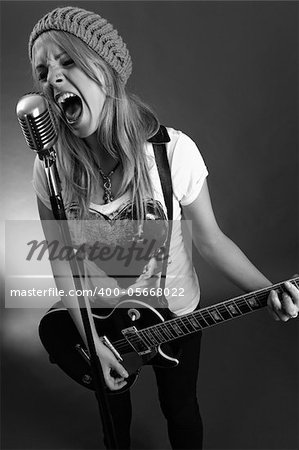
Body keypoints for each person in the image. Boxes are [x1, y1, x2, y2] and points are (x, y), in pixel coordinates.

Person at [28, 6, 299, 450]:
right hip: (99, 322)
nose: (52, 78)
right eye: (42, 70)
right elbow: (63, 266)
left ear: (106, 70)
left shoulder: (175, 153)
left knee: (182, 409)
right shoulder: (50, 168)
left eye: (68, 61)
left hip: (176, 312)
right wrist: (91, 344)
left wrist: (268, 289)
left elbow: (210, 240)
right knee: (114, 423)